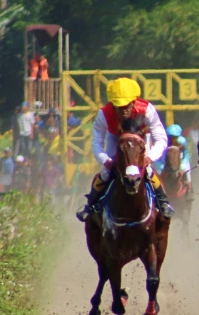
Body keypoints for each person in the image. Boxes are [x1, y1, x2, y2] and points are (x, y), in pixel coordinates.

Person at [75, 77, 174, 222]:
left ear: (134, 102)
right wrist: (106, 160)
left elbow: (161, 138)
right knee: (106, 172)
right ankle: (90, 206)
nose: (122, 110)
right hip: (115, 138)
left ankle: (163, 201)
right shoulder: (104, 114)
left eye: (126, 106)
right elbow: (96, 143)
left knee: (147, 170)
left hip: (139, 139)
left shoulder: (146, 110)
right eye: (118, 106)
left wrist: (150, 158)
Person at [159, 123, 193, 194]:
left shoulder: (182, 141)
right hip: (167, 161)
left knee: (187, 173)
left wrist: (182, 167)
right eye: (170, 136)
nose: (172, 139)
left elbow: (186, 155)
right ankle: (158, 191)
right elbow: (162, 154)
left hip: (182, 160)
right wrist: (162, 166)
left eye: (174, 137)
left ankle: (189, 191)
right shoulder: (165, 142)